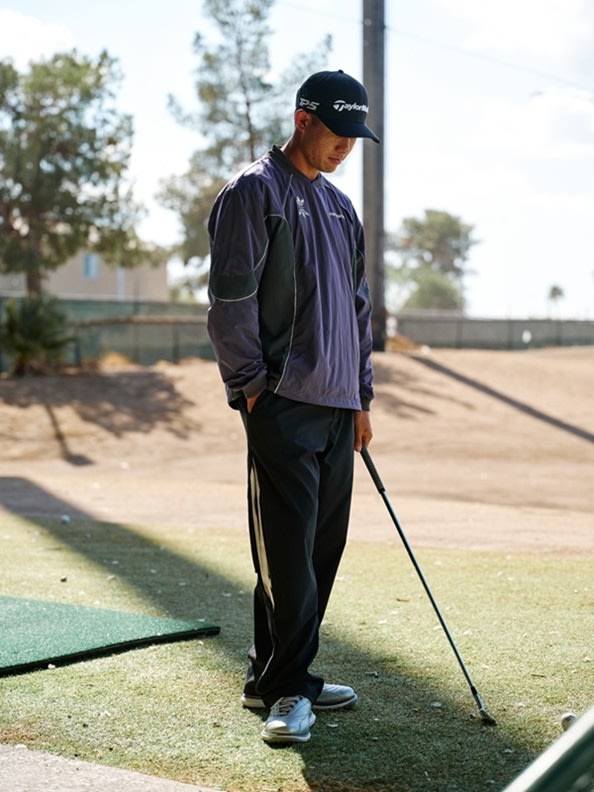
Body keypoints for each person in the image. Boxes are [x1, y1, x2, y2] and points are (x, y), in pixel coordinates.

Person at [207, 69, 378, 745]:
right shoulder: (257, 191)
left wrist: (362, 395)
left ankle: (275, 675)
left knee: (318, 550)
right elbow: (229, 300)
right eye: (338, 133)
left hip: (339, 408)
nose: (345, 147)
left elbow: (359, 310)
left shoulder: (341, 209)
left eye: (354, 137)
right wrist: (251, 385)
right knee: (286, 551)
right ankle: (287, 690)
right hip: (281, 401)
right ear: (304, 119)